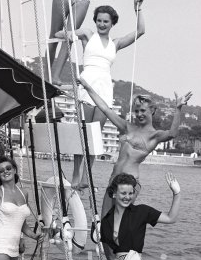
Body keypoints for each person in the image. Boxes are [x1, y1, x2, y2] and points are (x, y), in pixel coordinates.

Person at [58, 0, 145, 189]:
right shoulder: (88, 34)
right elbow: (59, 34)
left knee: (94, 137)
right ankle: (75, 178)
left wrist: (138, 9)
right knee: (83, 134)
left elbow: (141, 31)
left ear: (112, 23)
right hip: (87, 86)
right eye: (99, 20)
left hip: (105, 90)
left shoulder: (116, 44)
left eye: (105, 21)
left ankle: (86, 178)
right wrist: (71, 34)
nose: (102, 24)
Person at [76, 76, 192, 217]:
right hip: (113, 180)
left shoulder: (154, 136)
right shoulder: (127, 127)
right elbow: (105, 109)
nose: (139, 114)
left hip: (129, 184)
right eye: (136, 111)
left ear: (152, 111)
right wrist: (86, 86)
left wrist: (178, 109)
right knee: (105, 223)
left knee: (120, 225)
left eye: (143, 110)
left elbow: (172, 133)